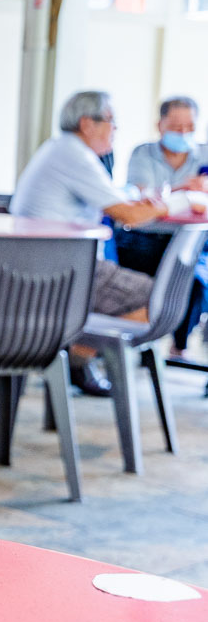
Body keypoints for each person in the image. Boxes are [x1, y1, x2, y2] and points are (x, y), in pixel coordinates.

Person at [11, 90, 167, 394]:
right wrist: (166, 205)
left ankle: (76, 357)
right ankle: (76, 358)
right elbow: (128, 215)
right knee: (161, 297)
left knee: (150, 289)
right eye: (111, 121)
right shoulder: (75, 155)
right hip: (59, 272)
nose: (115, 129)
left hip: (42, 266)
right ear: (87, 124)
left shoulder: (63, 149)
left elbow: (116, 195)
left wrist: (139, 198)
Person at [120, 96, 208, 355]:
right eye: (176, 126)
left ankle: (179, 346)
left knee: (196, 281)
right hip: (145, 239)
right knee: (164, 282)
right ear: (160, 125)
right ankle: (136, 340)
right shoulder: (143, 154)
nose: (183, 133)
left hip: (192, 241)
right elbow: (140, 199)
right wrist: (183, 190)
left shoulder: (203, 154)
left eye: (189, 127)